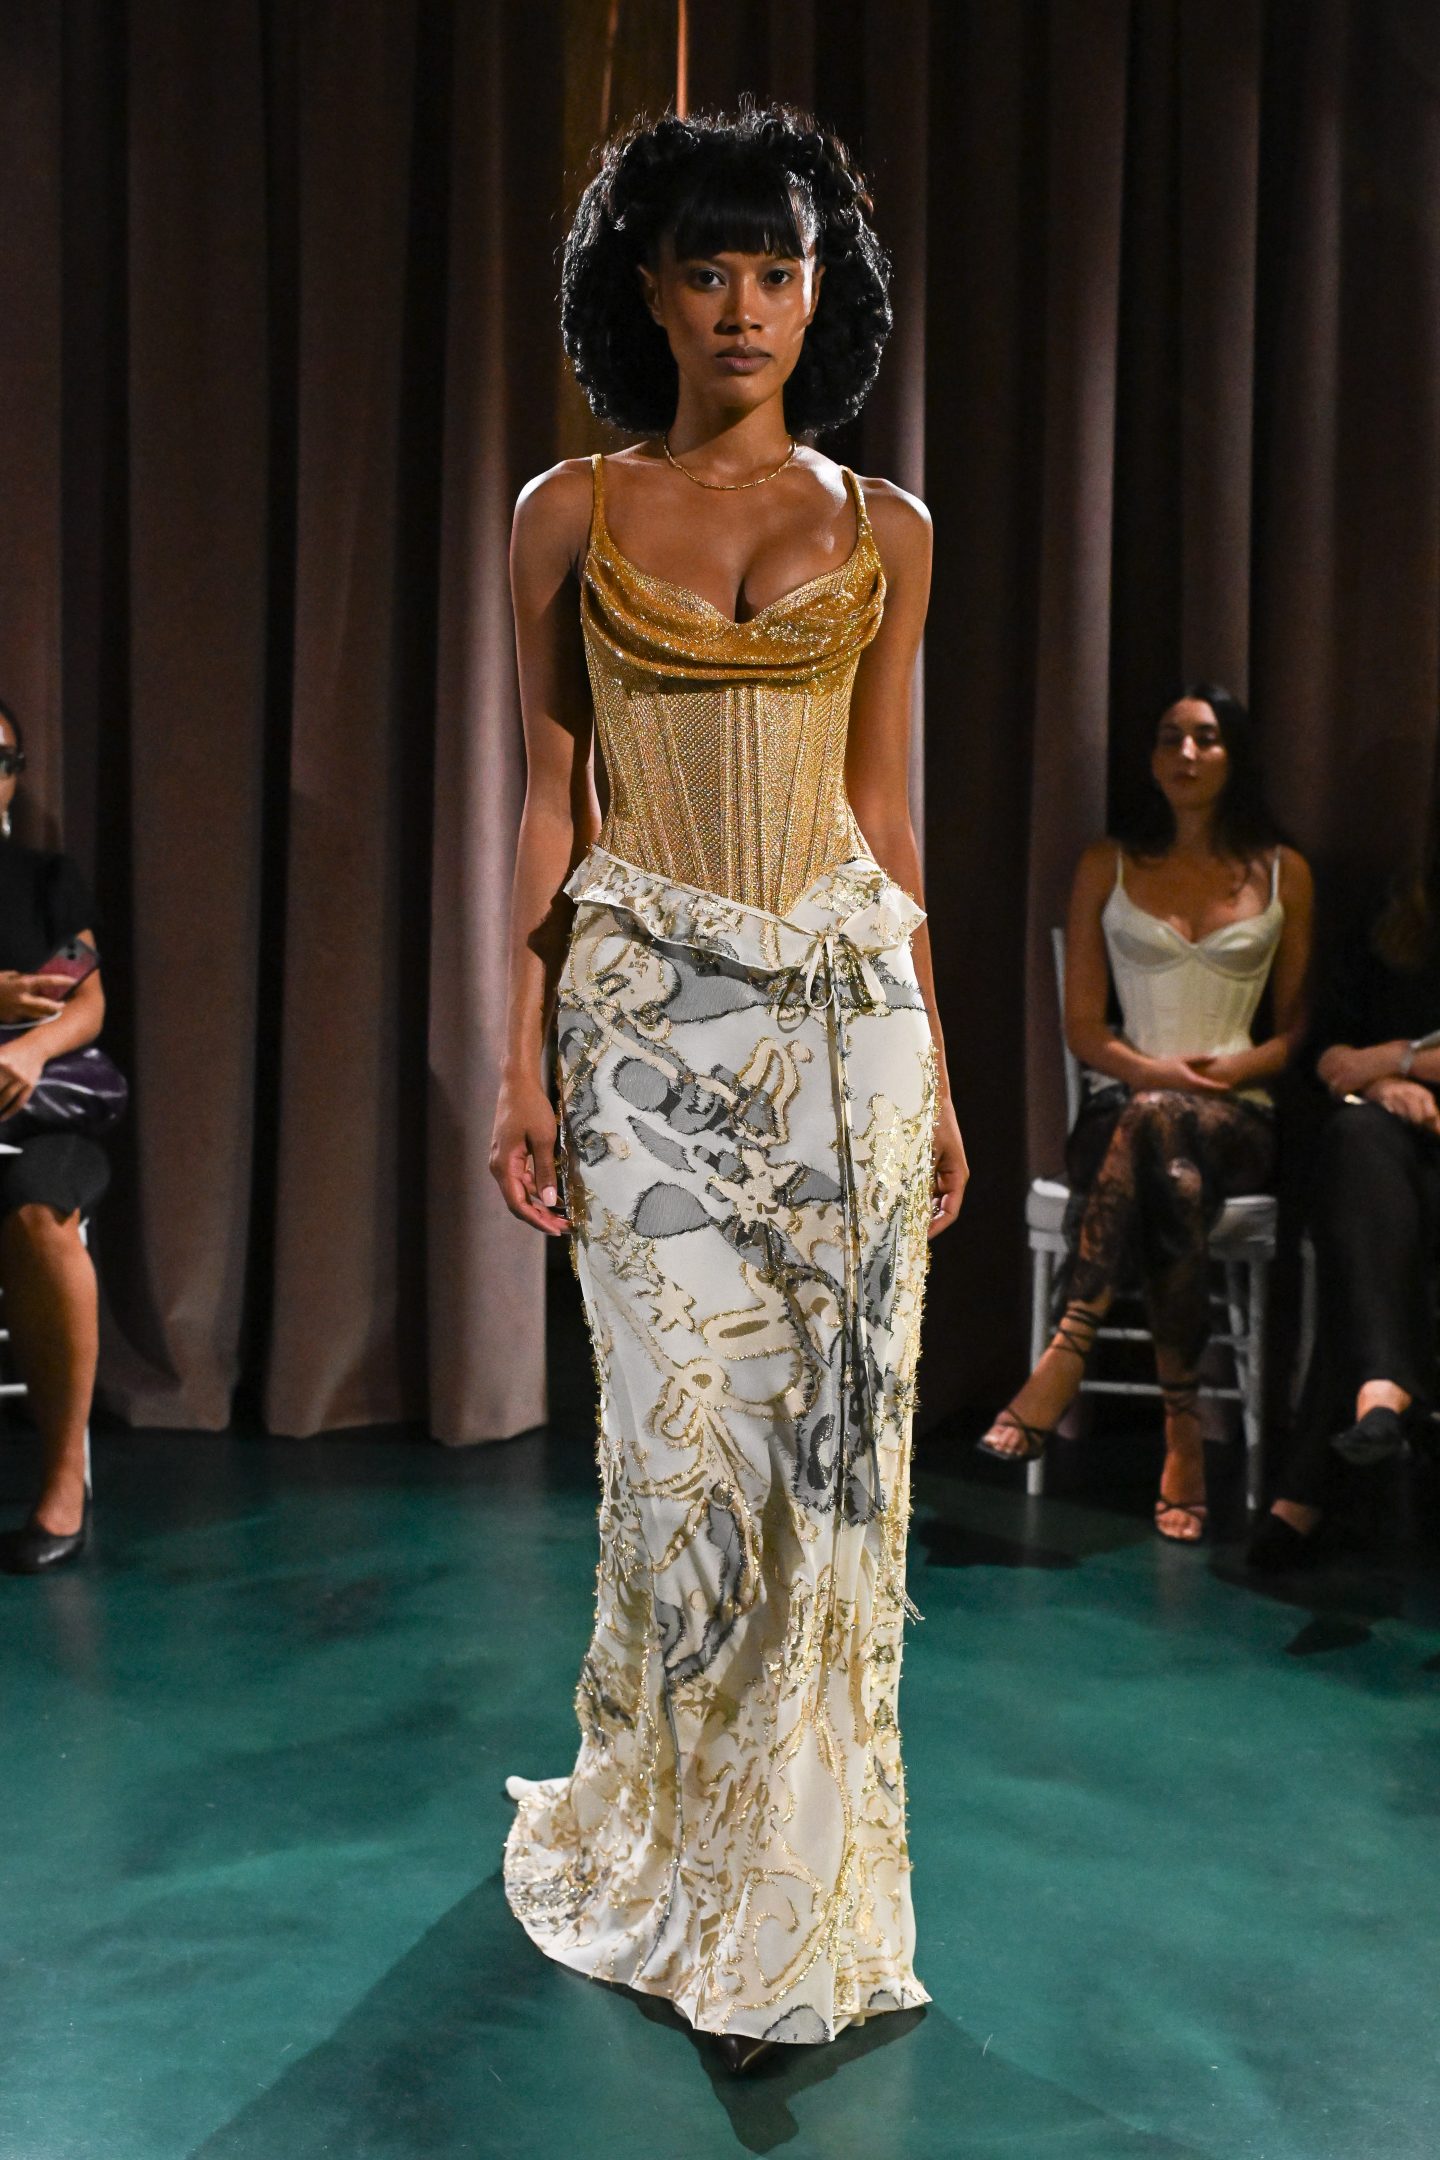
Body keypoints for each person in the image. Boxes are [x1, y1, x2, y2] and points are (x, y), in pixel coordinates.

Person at [487, 105, 966, 2071]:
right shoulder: (570, 510)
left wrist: (940, 1070)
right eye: (711, 268)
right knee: (691, 1457)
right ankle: (673, 1852)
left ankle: (790, 1919)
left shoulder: (889, 529)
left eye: (779, 268)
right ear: (652, 291)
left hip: (848, 1021)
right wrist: (521, 1060)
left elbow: (887, 816)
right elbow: (549, 801)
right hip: (644, 1024)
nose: (747, 305)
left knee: (836, 1474)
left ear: (823, 291)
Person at [978, 687, 1313, 1541]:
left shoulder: (1284, 870)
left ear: (1235, 755)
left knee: (1169, 1145)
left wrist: (1234, 1069)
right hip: (1124, 1105)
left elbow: (1297, 1029)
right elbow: (1085, 1029)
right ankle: (1184, 1433)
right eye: (1170, 738)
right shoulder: (1109, 863)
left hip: (1236, 1116)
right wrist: (1156, 1073)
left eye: (1206, 738)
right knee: (1167, 1159)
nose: (1186, 754)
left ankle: (1069, 1346)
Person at [1248, 858, 1440, 1571]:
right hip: (1395, 1157)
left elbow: (1363, 1057)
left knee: (1364, 1246)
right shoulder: (1401, 916)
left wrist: (1395, 1060)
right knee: (1356, 1143)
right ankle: (1381, 1389)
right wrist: (1378, 1085)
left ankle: (1309, 1483)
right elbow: (1327, 1051)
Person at [0, 699, 113, 1573]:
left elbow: (85, 998)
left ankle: (63, 1483)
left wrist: (32, 1048)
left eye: (3, 760)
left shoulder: (45, 879)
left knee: (44, 1209)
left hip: (34, 1111)